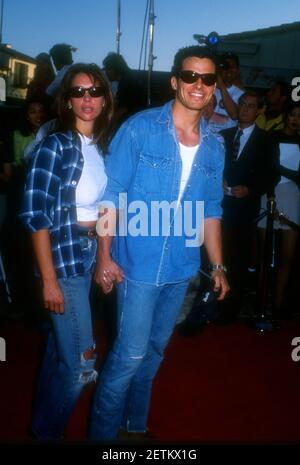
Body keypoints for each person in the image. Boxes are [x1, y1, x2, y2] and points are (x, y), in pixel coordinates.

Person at [89, 45, 229, 441]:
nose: (198, 85)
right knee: (128, 357)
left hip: (182, 268)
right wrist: (103, 256)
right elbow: (112, 196)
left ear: (214, 86)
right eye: (190, 76)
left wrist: (217, 266)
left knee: (153, 354)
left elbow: (212, 210)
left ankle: (134, 428)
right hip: (138, 265)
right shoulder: (141, 128)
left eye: (207, 78)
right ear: (175, 81)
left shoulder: (215, 145)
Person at [19, 63, 114, 439]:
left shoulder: (103, 147)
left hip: (88, 254)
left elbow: (107, 207)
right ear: (67, 100)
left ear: (106, 98)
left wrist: (105, 258)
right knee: (80, 365)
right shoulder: (55, 145)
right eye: (78, 92)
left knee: (59, 356)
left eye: (95, 91)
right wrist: (48, 280)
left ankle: (39, 429)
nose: (87, 99)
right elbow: (34, 215)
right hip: (62, 258)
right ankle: (46, 433)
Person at [217, 91, 277, 324]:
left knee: (237, 260)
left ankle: (230, 310)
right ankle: (210, 305)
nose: (244, 109)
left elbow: (271, 175)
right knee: (214, 257)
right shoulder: (224, 135)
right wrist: (217, 181)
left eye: (251, 106)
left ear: (259, 110)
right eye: (242, 104)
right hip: (218, 206)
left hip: (244, 208)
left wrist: (250, 189)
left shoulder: (266, 140)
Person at [258, 100, 300, 316]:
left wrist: (280, 169)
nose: (296, 119)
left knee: (287, 256)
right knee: (264, 254)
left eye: (299, 116)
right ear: (285, 115)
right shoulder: (271, 137)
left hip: (292, 195)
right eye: (292, 114)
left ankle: (278, 303)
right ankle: (261, 300)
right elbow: (265, 167)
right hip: (269, 192)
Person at [102, 52, 147, 128]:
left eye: (107, 69)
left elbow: (123, 109)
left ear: (113, 69)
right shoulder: (128, 79)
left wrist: (108, 125)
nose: (106, 72)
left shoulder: (128, 83)